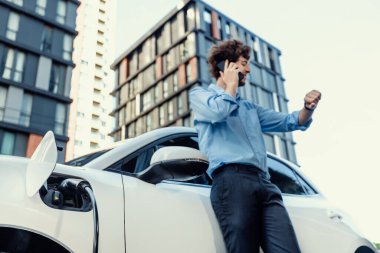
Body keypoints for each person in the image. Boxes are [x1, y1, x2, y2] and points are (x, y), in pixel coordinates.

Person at [189, 39, 321, 253]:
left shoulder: (250, 108)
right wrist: (230, 85)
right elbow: (218, 112)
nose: (248, 69)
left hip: (265, 184)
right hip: (231, 182)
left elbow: (292, 121)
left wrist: (308, 108)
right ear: (226, 66)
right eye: (243, 63)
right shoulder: (200, 96)